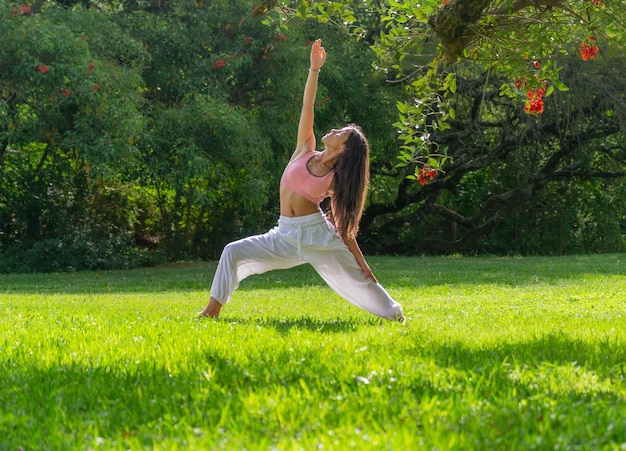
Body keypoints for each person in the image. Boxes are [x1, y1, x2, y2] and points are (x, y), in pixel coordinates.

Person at [199, 38, 405, 323]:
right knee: (232, 251)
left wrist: (363, 263)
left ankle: (394, 314)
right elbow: (307, 105)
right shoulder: (304, 148)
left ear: (344, 149)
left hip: (316, 235)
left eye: (339, 133)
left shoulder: (336, 179)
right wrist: (314, 69)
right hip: (284, 234)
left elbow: (345, 229)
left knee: (359, 277)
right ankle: (212, 310)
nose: (332, 130)